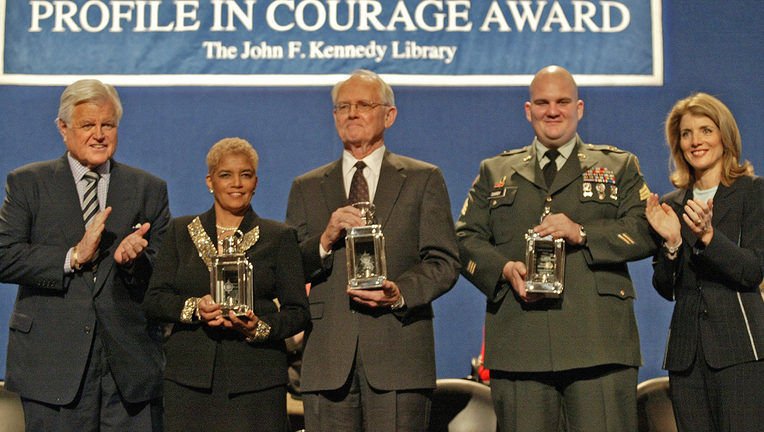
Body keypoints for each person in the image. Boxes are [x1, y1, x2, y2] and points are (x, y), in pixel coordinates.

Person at [455, 65, 657, 431]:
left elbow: (645, 229)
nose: (552, 110)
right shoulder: (494, 170)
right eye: (542, 102)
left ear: (579, 108)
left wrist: (583, 232)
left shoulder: (618, 166)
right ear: (528, 110)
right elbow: (464, 239)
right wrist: (504, 270)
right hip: (519, 346)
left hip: (599, 344)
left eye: (562, 101)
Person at [286, 69, 460, 432]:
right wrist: (325, 238)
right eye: (344, 106)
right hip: (328, 360)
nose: (353, 113)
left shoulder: (423, 178)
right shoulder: (306, 187)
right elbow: (290, 269)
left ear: (389, 115)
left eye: (364, 104)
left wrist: (400, 293)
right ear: (334, 117)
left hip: (400, 354)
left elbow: (443, 262)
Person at [0, 79, 170, 431]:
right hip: (52, 364)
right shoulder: (28, 183)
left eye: (107, 125)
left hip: (128, 368)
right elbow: (4, 255)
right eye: (87, 125)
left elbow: (165, 269)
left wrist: (133, 262)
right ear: (63, 128)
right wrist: (73, 256)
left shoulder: (148, 188)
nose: (99, 134)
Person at [142, 137, 310, 432]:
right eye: (225, 175)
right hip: (189, 381)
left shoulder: (279, 237)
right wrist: (195, 308)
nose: (236, 183)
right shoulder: (180, 231)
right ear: (210, 181)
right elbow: (155, 300)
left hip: (256, 381)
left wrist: (260, 327)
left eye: (245, 175)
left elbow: (298, 312)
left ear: (255, 181)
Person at [646, 93, 764, 431]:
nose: (696, 141)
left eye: (705, 130)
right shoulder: (672, 203)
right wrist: (671, 244)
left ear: (725, 137)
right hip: (686, 357)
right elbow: (667, 289)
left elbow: (753, 270)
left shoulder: (752, 192)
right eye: (686, 133)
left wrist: (709, 238)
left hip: (740, 351)